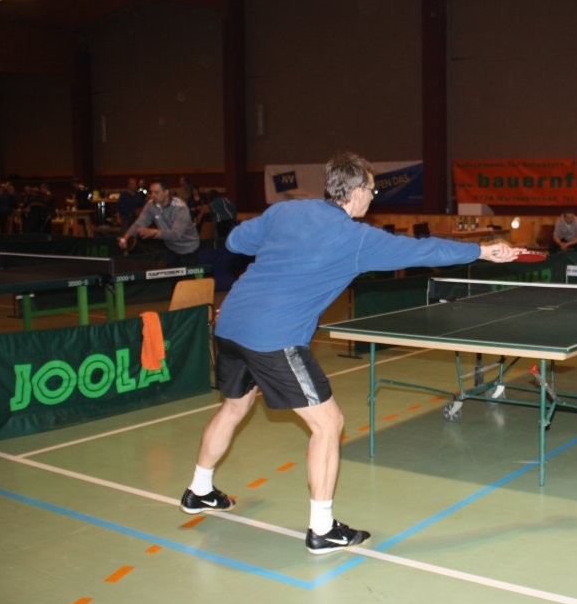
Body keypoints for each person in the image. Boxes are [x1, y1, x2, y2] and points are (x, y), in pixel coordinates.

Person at [179, 151, 521, 554]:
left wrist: (285, 244)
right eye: (372, 191)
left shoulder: (286, 211)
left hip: (232, 324)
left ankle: (199, 490)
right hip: (274, 337)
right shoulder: (357, 239)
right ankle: (322, 529)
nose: (373, 198)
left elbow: (237, 241)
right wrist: (482, 251)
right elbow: (422, 251)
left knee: (234, 407)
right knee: (329, 424)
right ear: (356, 191)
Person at [117, 179, 200, 266]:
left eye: (156, 192)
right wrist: (126, 237)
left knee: (188, 275)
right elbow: (139, 224)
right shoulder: (150, 205)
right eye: (151, 192)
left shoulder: (180, 208)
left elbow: (175, 235)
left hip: (190, 249)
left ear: (166, 192)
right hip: (171, 249)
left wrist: (155, 233)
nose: (152, 195)